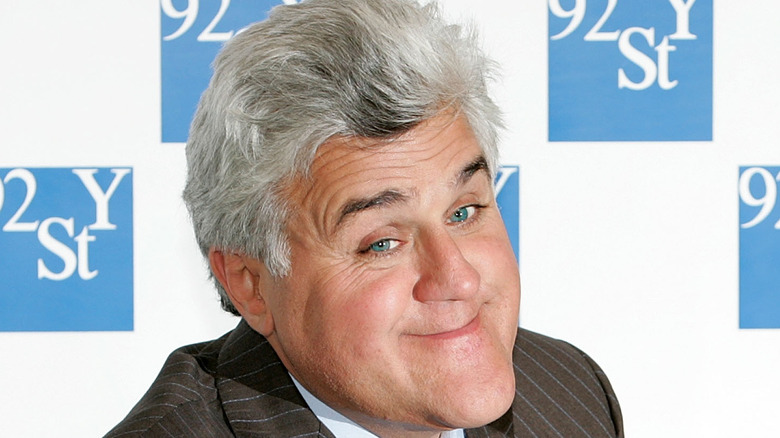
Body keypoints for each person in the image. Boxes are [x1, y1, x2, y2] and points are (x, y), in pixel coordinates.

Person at [107, 0, 623, 436]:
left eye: (464, 212)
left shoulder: (567, 391)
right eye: (382, 244)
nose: (459, 278)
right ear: (250, 284)